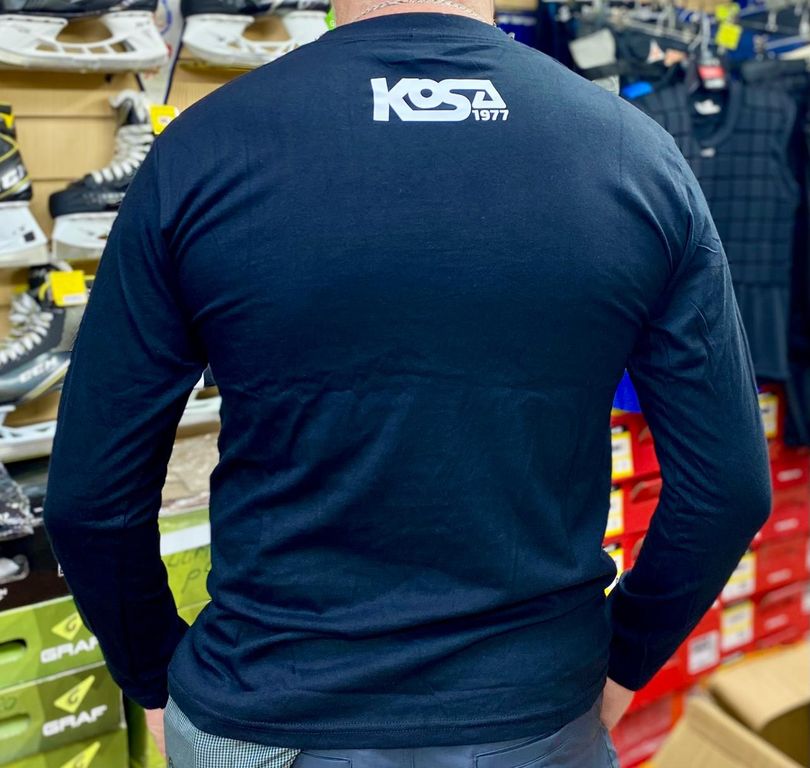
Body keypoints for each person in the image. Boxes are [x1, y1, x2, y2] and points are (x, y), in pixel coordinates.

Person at [42, 0, 772, 764]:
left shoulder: (202, 149)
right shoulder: (635, 156)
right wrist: (624, 660)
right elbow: (727, 489)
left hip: (266, 711)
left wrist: (153, 676)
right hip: (533, 713)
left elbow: (90, 501)